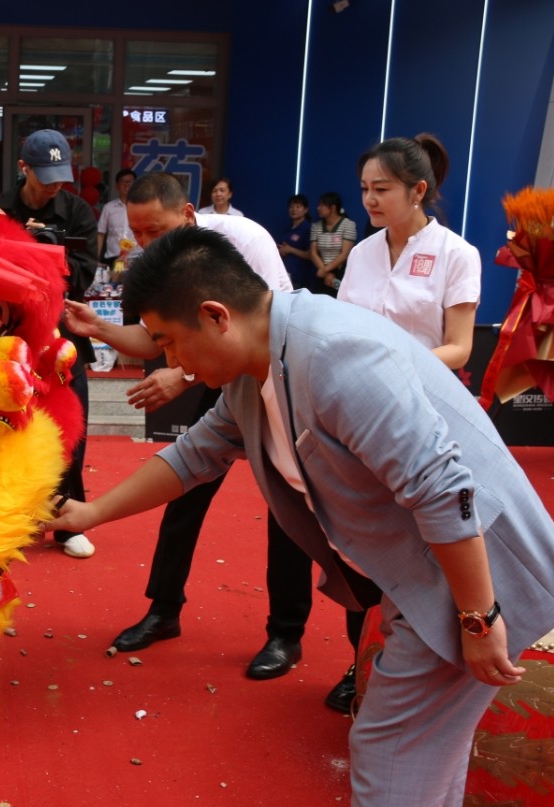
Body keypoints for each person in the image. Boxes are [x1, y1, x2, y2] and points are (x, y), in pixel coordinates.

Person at [49, 225, 554, 807]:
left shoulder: (332, 353)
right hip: (430, 572)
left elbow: (443, 488)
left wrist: (477, 615)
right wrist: (90, 514)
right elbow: (193, 457)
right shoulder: (259, 368)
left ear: (216, 315)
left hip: (471, 572)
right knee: (423, 755)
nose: (173, 364)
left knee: (390, 747)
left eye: (169, 342)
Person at [64, 173, 355, 709]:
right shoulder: (156, 267)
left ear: (190, 217)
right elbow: (152, 342)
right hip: (215, 376)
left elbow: (270, 335)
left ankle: (286, 633)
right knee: (185, 487)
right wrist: (99, 329)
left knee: (288, 501)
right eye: (137, 234)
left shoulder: (247, 244)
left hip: (274, 376)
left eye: (156, 231)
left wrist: (184, 373)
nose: (146, 244)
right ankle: (163, 608)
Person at [0, 129, 99, 559]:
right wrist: (25, 251)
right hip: (8, 339)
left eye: (61, 176)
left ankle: (65, 523)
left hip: (64, 340)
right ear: (23, 169)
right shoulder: (0, 209)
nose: (55, 184)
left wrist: (52, 255)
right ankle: (4, 520)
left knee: (69, 428)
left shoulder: (76, 212)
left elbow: (84, 273)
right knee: (1, 429)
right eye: (46, 176)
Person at [341, 134, 480, 370]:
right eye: (365, 189)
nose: (369, 200)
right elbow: (342, 325)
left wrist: (396, 365)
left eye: (381, 189)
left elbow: (459, 348)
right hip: (359, 386)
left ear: (418, 191)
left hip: (422, 392)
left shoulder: (456, 253)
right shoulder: (361, 253)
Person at [309, 191, 357, 293]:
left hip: (340, 271)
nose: (318, 208)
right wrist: (325, 272)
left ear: (333, 208)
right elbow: (313, 253)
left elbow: (344, 254)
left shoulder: (348, 225)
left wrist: (326, 271)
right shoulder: (316, 226)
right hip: (321, 269)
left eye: (322, 205)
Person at [97, 168, 136, 266]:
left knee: (135, 281)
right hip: (114, 258)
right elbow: (100, 234)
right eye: (123, 181)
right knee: (113, 281)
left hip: (136, 258)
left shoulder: (142, 208)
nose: (126, 184)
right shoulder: (108, 208)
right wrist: (96, 259)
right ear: (116, 186)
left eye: (130, 182)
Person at [277, 193, 313, 292]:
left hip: (299, 277)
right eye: (291, 207)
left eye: (298, 207)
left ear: (305, 210)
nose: (294, 209)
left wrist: (290, 250)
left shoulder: (307, 228)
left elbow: (310, 255)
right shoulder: (288, 227)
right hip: (285, 274)